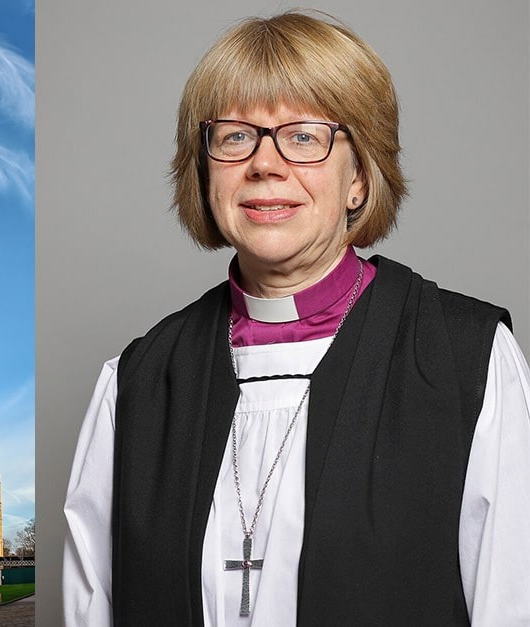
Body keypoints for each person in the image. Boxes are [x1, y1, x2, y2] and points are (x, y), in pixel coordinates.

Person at [61, 10, 530, 626]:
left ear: (360, 175)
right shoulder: (138, 383)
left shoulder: (465, 362)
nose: (265, 164)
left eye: (304, 136)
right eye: (235, 137)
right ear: (205, 172)